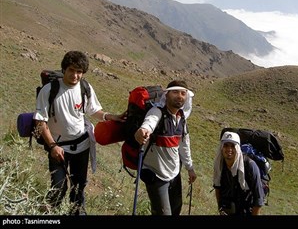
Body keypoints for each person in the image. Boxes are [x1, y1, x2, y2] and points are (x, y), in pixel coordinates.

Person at [33, 50, 126, 215]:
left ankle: (77, 213)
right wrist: (53, 146)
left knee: (79, 188)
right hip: (58, 148)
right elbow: (41, 121)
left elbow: (94, 110)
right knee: (58, 188)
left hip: (82, 145)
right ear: (64, 70)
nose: (75, 75)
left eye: (79, 72)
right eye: (71, 70)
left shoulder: (85, 87)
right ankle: (46, 214)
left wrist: (111, 117)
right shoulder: (49, 90)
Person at [134, 80, 197, 215]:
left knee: (175, 210)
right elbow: (149, 122)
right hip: (156, 175)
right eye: (175, 92)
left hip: (174, 174)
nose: (180, 96)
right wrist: (143, 131)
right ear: (167, 95)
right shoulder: (157, 112)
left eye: (183, 93)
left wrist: (190, 168)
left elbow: (184, 146)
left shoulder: (182, 119)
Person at [213, 131, 264, 216]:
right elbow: (217, 187)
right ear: (221, 147)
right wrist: (220, 208)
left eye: (233, 146)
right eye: (226, 145)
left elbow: (258, 199)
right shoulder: (219, 165)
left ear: (237, 148)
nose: (229, 149)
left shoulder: (250, 166)